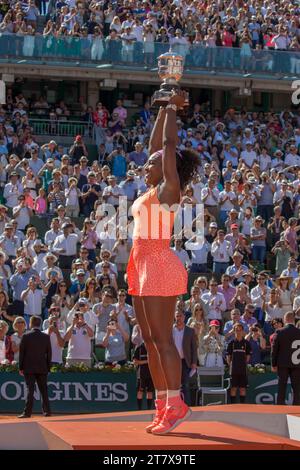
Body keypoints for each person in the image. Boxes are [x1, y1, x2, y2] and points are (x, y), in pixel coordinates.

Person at [126, 91, 199, 435]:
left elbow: (167, 145)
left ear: (167, 168)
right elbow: (158, 144)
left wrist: (171, 107)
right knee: (150, 340)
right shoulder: (155, 184)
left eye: (152, 163)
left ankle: (176, 404)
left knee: (163, 340)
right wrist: (160, 107)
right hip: (140, 262)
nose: (147, 164)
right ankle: (162, 404)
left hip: (157, 262)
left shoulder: (169, 189)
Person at [18, 316, 52, 418]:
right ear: (40, 324)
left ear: (31, 324)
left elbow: (21, 354)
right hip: (42, 368)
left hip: (29, 368)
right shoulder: (46, 337)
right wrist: (48, 368)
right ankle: (47, 412)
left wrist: (20, 367)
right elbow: (49, 354)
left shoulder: (25, 336)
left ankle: (27, 413)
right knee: (44, 391)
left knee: (30, 390)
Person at [271, 311, 300, 406]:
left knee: (282, 387)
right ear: (293, 319)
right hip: (297, 364)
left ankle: (280, 407)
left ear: (285, 319)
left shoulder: (279, 332)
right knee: (297, 388)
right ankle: (297, 409)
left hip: (283, 364)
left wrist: (273, 364)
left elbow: (274, 349)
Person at [172, 310, 198, 406]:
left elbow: (194, 348)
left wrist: (194, 362)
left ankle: (186, 406)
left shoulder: (190, 331)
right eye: (177, 316)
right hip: (173, 362)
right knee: (173, 386)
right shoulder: (170, 330)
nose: (179, 318)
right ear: (175, 317)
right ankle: (175, 406)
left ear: (184, 317)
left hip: (185, 361)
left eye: (180, 316)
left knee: (185, 385)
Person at [227, 322, 252, 403]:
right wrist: (231, 365)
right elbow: (228, 357)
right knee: (233, 388)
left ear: (243, 331)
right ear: (234, 331)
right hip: (233, 370)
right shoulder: (231, 343)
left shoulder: (246, 343)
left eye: (240, 330)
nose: (238, 332)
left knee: (242, 388)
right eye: (236, 330)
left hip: (242, 370)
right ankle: (233, 406)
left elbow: (248, 357)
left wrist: (242, 364)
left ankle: (242, 407)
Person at [133, 325, 155, 411]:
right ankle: (139, 410)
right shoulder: (139, 347)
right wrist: (146, 362)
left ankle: (149, 410)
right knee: (140, 391)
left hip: (151, 374)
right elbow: (135, 361)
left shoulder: (153, 348)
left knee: (150, 392)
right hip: (141, 374)